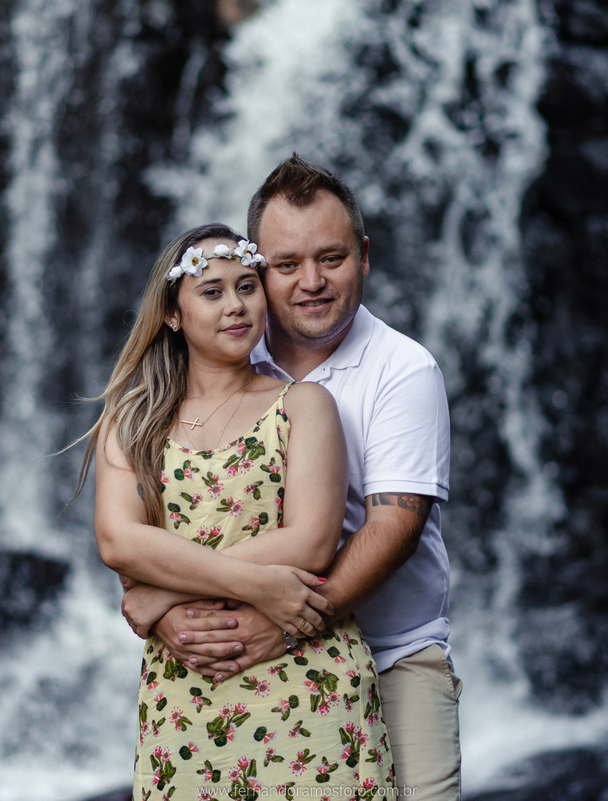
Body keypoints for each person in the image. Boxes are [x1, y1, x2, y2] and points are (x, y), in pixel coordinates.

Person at [124, 157, 461, 800]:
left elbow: (395, 526)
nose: (311, 281)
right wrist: (170, 611)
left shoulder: (402, 369)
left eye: (331, 258)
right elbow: (163, 494)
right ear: (260, 271)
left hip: (389, 655)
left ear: (364, 256)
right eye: (285, 266)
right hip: (227, 654)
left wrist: (277, 624)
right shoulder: (225, 347)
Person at [77, 222, 395, 799]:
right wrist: (257, 584)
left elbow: (311, 542)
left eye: (247, 286)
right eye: (212, 291)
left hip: (310, 689)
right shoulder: (132, 423)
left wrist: (163, 593)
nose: (236, 306)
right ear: (172, 313)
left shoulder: (304, 403)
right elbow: (119, 544)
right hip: (188, 697)